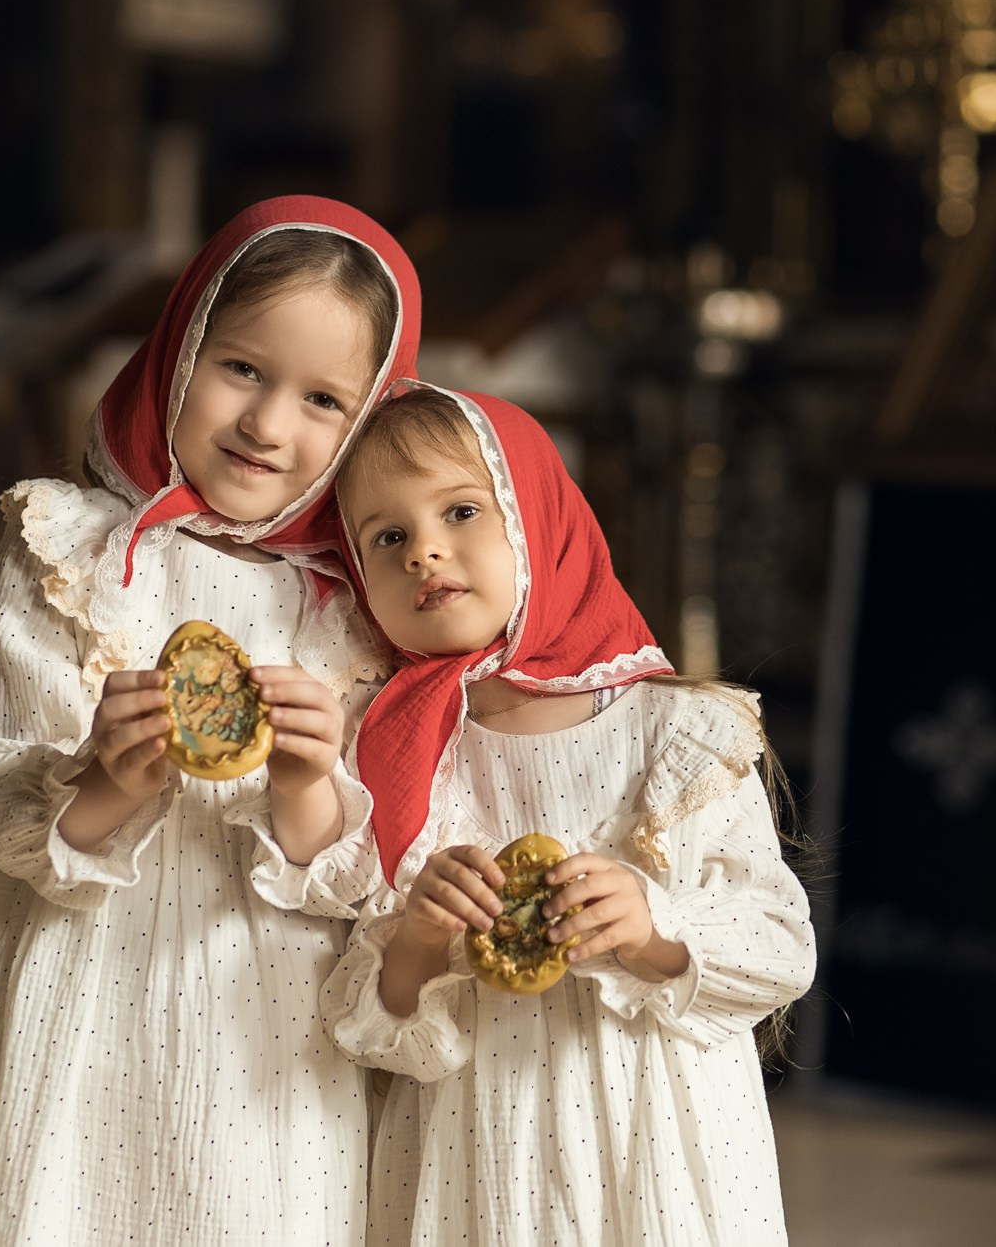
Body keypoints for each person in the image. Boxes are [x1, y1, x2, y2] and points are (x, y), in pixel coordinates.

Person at [0, 196, 421, 1246]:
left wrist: (309, 783)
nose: (268, 425)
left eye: (322, 400)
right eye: (241, 370)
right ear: (175, 349)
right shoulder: (64, 552)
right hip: (76, 990)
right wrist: (106, 780)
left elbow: (361, 880)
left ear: (367, 422)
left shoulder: (354, 614)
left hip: (264, 1025)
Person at [322, 385, 815, 1246]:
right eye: (387, 536)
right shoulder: (393, 760)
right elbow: (374, 1029)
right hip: (474, 1148)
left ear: (540, 517)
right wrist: (417, 940)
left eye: (462, 510)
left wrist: (650, 923)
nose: (424, 552)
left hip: (654, 1135)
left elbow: (780, 945)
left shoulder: (678, 731)